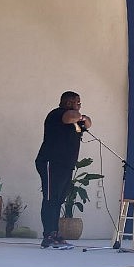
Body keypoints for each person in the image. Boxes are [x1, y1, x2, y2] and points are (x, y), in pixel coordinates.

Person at [35, 91, 91, 250]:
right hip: (51, 162)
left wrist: (83, 118)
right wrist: (80, 116)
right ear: (68, 102)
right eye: (77, 102)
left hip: (66, 164)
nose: (80, 105)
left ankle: (56, 234)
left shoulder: (76, 119)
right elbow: (70, 117)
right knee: (50, 198)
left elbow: (88, 124)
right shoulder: (56, 114)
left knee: (59, 200)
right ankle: (48, 235)